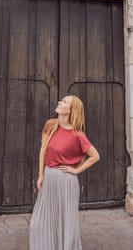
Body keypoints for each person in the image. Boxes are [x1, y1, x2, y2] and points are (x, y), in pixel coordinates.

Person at [29, 94, 100, 250]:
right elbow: (43, 150)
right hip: (49, 177)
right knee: (38, 223)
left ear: (70, 110)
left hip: (66, 181)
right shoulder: (50, 125)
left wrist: (77, 170)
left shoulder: (78, 135)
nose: (60, 102)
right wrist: (40, 175)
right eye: (62, 100)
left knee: (66, 222)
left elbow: (95, 156)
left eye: (65, 102)